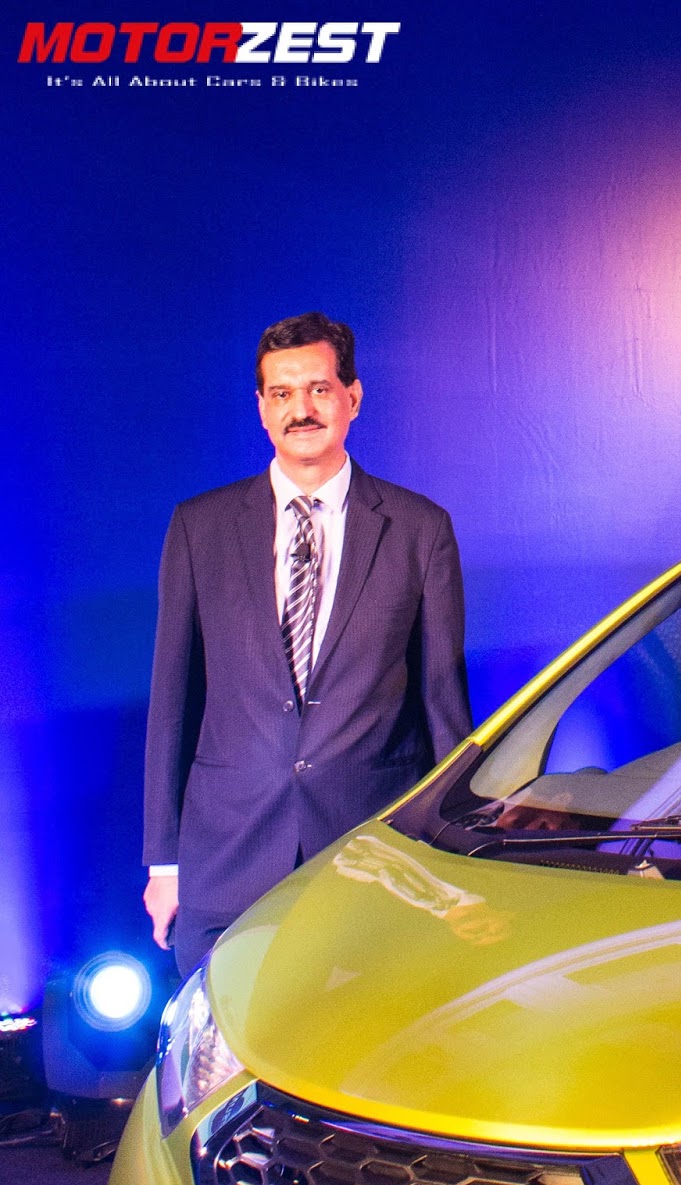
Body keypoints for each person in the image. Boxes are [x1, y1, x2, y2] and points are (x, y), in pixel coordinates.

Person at [142, 311, 471, 974]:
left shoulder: (420, 529)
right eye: (283, 393)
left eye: (319, 389)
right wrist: (165, 864)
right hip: (226, 861)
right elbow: (173, 701)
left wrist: (457, 851)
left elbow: (443, 705)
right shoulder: (200, 527)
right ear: (262, 408)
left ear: (353, 397)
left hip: (372, 860)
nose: (302, 410)